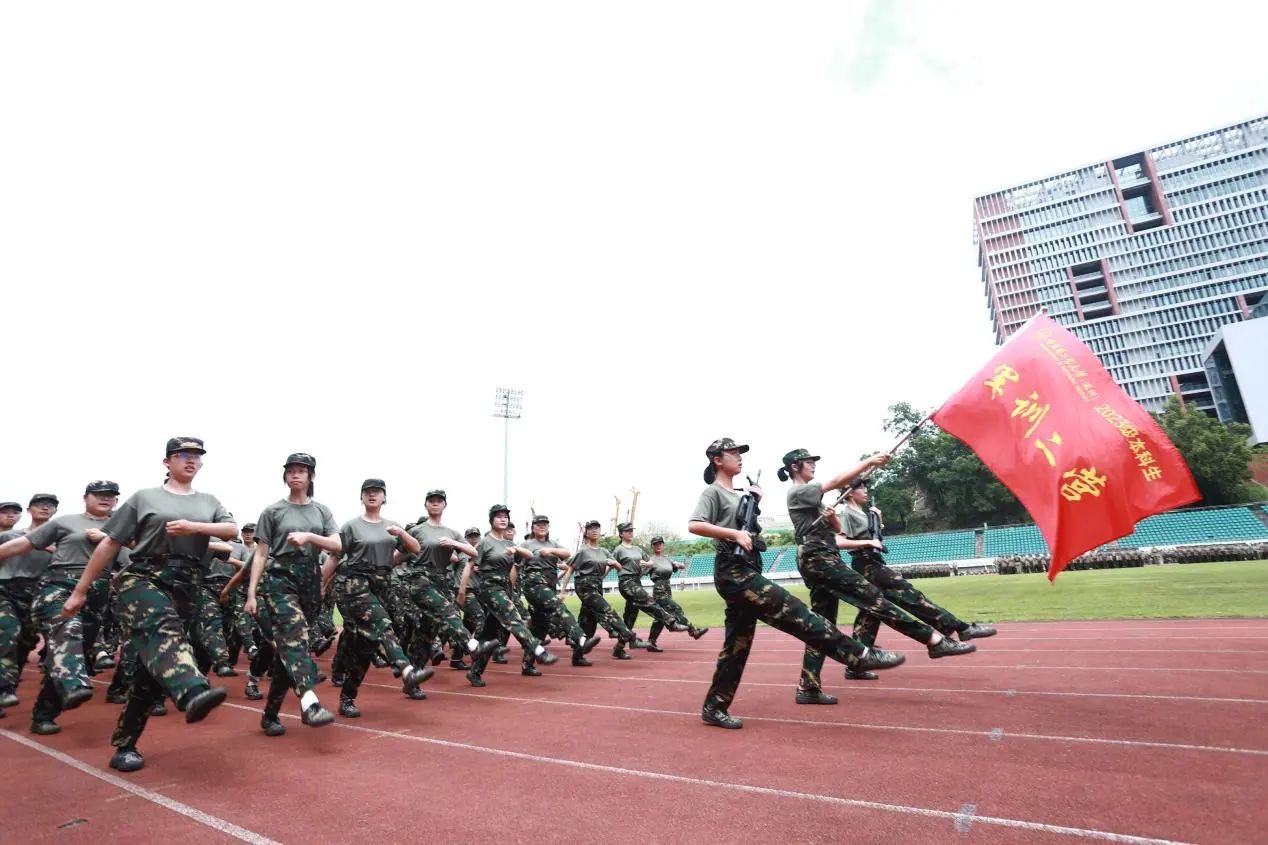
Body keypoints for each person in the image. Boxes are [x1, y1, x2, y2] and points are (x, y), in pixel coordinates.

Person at [689, 438, 904, 730]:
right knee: (796, 612)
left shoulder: (739, 493)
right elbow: (694, 524)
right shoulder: (712, 491)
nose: (740, 457)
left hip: (748, 566)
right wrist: (733, 535)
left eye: (740, 453)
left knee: (737, 646)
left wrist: (753, 503)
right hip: (733, 571)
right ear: (717, 459)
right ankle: (858, 654)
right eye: (734, 453)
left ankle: (714, 707)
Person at [61, 437, 236, 772]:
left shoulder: (209, 501)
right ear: (166, 461)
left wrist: (193, 527)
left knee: (148, 674)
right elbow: (110, 544)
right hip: (144, 576)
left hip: (188, 584)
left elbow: (230, 530)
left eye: (197, 456)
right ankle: (192, 690)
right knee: (163, 628)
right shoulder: (144, 498)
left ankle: (125, 744)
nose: (190, 460)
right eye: (182, 454)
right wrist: (80, 590)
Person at [780, 449, 975, 704]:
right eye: (808, 462)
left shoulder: (812, 499)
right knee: (874, 598)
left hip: (823, 554)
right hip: (818, 557)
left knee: (823, 624)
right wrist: (869, 462)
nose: (813, 466)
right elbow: (837, 481)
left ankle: (808, 687)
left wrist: (831, 520)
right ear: (795, 467)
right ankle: (934, 639)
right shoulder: (799, 491)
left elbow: (838, 533)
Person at [0, 482, 123, 735]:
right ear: (85, 498)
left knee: (71, 652)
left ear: (116, 502)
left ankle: (44, 714)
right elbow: (22, 545)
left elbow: (133, 562)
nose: (104, 499)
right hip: (59, 587)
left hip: (96, 596)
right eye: (98, 495)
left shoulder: (122, 529)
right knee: (67, 631)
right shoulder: (65, 522)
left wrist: (110, 540)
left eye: (110, 496)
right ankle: (75, 683)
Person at [837, 478, 996, 668]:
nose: (865, 490)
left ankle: (858, 663)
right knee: (910, 595)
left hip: (873, 560)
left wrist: (878, 521)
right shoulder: (847, 513)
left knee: (871, 611)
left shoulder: (862, 512)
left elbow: (876, 538)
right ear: (849, 492)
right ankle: (959, 628)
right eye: (861, 487)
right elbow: (839, 541)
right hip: (866, 563)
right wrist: (868, 543)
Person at [245, 453, 341, 736]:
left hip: (310, 577)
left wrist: (309, 537)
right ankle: (310, 703)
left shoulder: (321, 511)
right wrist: (251, 593)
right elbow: (260, 554)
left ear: (311, 477)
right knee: (294, 634)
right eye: (291, 470)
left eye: (302, 470)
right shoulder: (272, 511)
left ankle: (270, 714)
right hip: (280, 576)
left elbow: (337, 544)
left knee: (290, 647)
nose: (295, 474)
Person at [326, 479, 431, 718]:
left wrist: (402, 533)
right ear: (361, 497)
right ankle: (406, 671)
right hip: (356, 584)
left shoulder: (392, 525)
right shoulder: (351, 526)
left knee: (366, 647)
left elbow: (414, 549)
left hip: (382, 583)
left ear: (384, 497)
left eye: (377, 492)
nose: (372, 495)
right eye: (367, 492)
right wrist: (320, 585)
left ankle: (347, 698)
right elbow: (335, 556)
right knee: (383, 623)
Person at [457, 505, 558, 687]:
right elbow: (469, 565)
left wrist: (516, 550)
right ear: (491, 520)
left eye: (505, 517)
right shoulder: (485, 542)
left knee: (489, 634)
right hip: (489, 587)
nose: (503, 519)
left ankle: (475, 672)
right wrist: (462, 591)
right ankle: (537, 649)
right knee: (513, 618)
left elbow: (529, 555)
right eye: (499, 517)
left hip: (504, 588)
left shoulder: (509, 543)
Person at [519, 514, 600, 675]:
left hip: (549, 584)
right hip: (534, 584)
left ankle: (527, 665)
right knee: (557, 606)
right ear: (532, 528)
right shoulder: (526, 544)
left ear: (548, 527)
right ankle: (581, 639)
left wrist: (550, 550)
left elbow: (567, 553)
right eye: (538, 524)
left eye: (545, 524)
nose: (542, 527)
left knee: (539, 628)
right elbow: (516, 566)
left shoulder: (553, 543)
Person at [0, 493, 59, 710]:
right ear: (29, 510)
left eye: (50, 505)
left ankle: (8, 685)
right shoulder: (10, 536)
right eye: (39, 505)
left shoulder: (61, 541)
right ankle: (5, 688)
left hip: (39, 593)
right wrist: (34, 544)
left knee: (25, 642)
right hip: (6, 590)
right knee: (7, 633)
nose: (45, 508)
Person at [558, 521, 643, 662]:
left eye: (597, 528)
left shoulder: (604, 551)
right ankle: (630, 637)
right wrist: (562, 591)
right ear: (586, 532)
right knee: (606, 609)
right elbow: (570, 570)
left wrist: (615, 564)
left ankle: (578, 656)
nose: (594, 530)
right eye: (591, 528)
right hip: (584, 585)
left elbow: (619, 568)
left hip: (597, 584)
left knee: (588, 621)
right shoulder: (583, 550)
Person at [612, 523, 688, 653]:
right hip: (626, 582)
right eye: (627, 531)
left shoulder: (638, 549)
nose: (631, 532)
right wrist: (601, 575)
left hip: (636, 581)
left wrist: (648, 563)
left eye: (631, 530)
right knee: (648, 600)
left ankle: (619, 647)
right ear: (621, 534)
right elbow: (611, 563)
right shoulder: (618, 549)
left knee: (631, 615)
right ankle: (671, 622)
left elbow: (651, 562)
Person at [643, 536, 707, 647]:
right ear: (652, 546)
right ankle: (693, 631)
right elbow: (641, 571)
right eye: (655, 544)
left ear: (663, 545)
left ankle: (651, 642)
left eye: (660, 543)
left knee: (660, 617)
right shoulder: (651, 560)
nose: (658, 546)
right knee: (676, 609)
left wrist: (679, 565)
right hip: (659, 590)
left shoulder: (667, 559)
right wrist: (644, 565)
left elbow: (678, 567)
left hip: (668, 588)